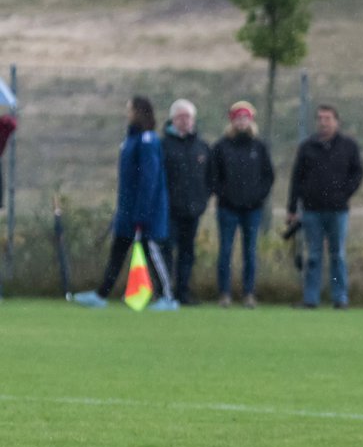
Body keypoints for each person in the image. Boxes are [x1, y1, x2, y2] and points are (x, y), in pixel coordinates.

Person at [73, 96, 177, 310]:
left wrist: (142, 213)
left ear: (139, 112)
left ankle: (167, 297)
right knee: (117, 252)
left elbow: (148, 180)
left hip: (145, 213)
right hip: (127, 211)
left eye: (129, 110)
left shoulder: (148, 141)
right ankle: (101, 295)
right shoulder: (130, 140)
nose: (126, 114)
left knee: (152, 253)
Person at [286, 104, 363, 309]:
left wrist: (344, 193)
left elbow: (357, 174)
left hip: (338, 210)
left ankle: (340, 298)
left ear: (336, 121)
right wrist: (292, 207)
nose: (323, 122)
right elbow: (297, 178)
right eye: (320, 118)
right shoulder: (307, 147)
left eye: (328, 118)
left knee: (337, 255)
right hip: (312, 210)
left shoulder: (348, 146)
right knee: (313, 256)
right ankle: (311, 299)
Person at [210, 100, 273, 309]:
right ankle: (224, 294)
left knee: (250, 253)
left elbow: (268, 176)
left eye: (245, 118)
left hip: (252, 210)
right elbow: (213, 177)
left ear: (251, 120)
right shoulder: (221, 147)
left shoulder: (259, 147)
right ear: (232, 121)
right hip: (227, 209)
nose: (242, 122)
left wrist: (258, 197)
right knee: (226, 251)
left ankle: (248, 294)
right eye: (238, 118)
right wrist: (224, 195)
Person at [160, 99, 212, 306]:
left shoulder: (202, 147)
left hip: (192, 211)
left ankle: (184, 292)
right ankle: (165, 291)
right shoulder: (163, 146)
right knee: (166, 252)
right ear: (173, 119)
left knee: (187, 254)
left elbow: (210, 178)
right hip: (169, 211)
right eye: (181, 117)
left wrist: (202, 200)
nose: (185, 121)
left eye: (188, 117)